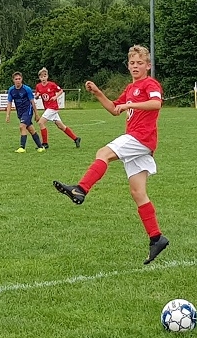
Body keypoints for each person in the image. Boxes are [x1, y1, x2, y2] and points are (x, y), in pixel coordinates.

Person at [53, 45, 169, 265]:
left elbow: (156, 103)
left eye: (140, 63)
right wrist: (98, 93)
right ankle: (156, 238)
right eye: (132, 63)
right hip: (139, 141)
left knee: (103, 153)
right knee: (138, 192)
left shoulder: (150, 84)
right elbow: (115, 109)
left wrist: (130, 104)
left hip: (140, 137)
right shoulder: (130, 87)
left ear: (148, 65)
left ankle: (81, 189)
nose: (135, 66)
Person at [34, 67, 81, 149]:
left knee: (41, 122)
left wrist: (56, 97)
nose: (43, 78)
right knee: (61, 126)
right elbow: (37, 95)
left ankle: (45, 144)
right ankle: (76, 138)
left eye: (45, 76)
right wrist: (37, 96)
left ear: (47, 76)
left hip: (53, 107)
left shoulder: (52, 84)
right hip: (48, 108)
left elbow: (60, 90)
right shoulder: (38, 86)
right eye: (41, 77)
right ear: (39, 78)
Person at [4, 72, 44, 153]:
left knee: (22, 126)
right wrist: (8, 115)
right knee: (31, 130)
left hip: (28, 110)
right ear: (13, 80)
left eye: (19, 79)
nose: (18, 80)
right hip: (20, 113)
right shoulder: (11, 90)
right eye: (16, 79)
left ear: (22, 79)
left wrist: (36, 114)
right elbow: (9, 103)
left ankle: (22, 147)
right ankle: (40, 147)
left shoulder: (27, 89)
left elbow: (32, 102)